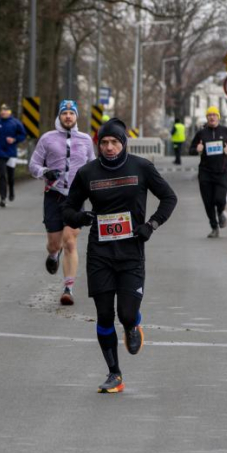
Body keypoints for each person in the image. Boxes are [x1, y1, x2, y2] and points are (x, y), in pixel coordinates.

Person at [63, 118, 177, 393]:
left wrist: (151, 225)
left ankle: (132, 325)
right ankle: (114, 373)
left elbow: (169, 198)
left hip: (131, 252)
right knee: (104, 315)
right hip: (100, 253)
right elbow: (67, 209)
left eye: (114, 142)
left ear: (123, 143)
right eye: (104, 142)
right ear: (98, 145)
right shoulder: (87, 173)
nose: (109, 147)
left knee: (126, 314)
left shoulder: (141, 167)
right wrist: (82, 217)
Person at [29, 100, 95, 305]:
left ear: (76, 117)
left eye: (71, 113)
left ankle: (68, 288)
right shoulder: (47, 139)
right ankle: (52, 254)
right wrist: (45, 172)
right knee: (54, 243)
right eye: (64, 113)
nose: (68, 116)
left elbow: (93, 167)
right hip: (54, 194)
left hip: (75, 197)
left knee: (70, 241)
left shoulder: (85, 140)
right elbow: (33, 165)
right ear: (59, 116)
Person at [189, 106, 227, 238]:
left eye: (214, 115)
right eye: (209, 115)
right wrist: (197, 149)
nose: (212, 117)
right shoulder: (201, 134)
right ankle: (214, 227)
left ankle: (221, 212)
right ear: (207, 118)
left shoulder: (226, 131)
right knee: (208, 201)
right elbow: (191, 149)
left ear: (218, 117)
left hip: (222, 171)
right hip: (205, 172)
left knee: (220, 198)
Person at [0, 103, 27, 207]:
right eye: (1, 110)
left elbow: (23, 135)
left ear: (9, 112)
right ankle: (2, 198)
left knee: (10, 176)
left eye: (5, 110)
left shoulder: (15, 123)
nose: (3, 112)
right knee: (2, 175)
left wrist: (14, 139)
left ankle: (11, 190)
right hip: (0, 152)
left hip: (11, 153)